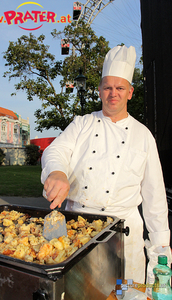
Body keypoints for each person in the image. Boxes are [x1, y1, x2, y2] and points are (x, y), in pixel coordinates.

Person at [41, 45, 171, 283]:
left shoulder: (143, 136)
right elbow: (56, 150)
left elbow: (155, 196)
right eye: (108, 87)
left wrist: (161, 249)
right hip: (78, 231)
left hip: (124, 236)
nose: (114, 93)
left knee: (123, 295)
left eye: (120, 88)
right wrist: (57, 172)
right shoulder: (82, 124)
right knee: (80, 294)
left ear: (130, 92)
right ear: (99, 91)